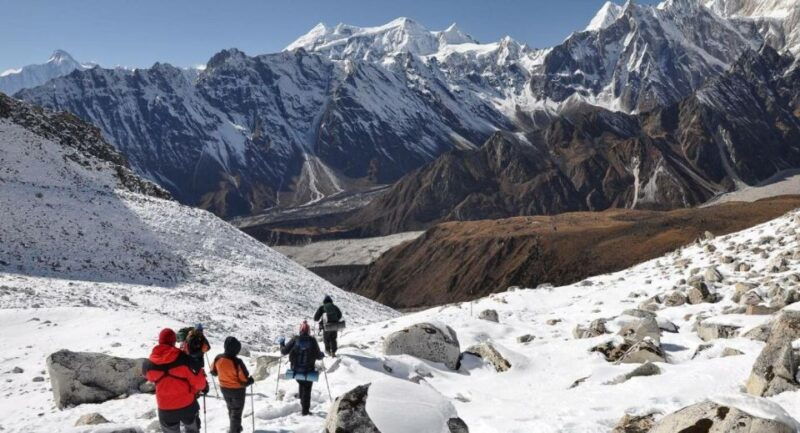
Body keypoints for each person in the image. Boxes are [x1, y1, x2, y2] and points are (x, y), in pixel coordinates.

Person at [143, 328, 208, 433]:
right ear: (174, 341)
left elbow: (148, 376)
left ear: (159, 341)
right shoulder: (183, 358)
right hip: (187, 405)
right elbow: (199, 383)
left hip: (165, 408)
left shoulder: (150, 364)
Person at [279, 320, 324, 416]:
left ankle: (302, 402)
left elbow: (283, 351)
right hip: (308, 370)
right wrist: (322, 355)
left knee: (301, 383)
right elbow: (318, 356)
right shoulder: (312, 340)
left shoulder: (295, 339)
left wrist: (281, 343)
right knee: (307, 388)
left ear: (300, 330)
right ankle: (305, 411)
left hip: (295, 370)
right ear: (308, 331)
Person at [211, 336, 254, 433]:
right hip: (237, 391)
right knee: (236, 412)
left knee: (231, 408)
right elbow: (244, 380)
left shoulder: (218, 358)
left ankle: (235, 427)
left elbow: (213, 372)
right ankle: (234, 430)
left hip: (224, 388)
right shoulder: (237, 362)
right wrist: (250, 381)